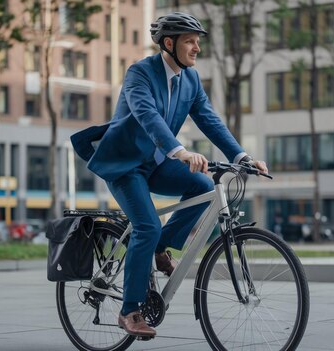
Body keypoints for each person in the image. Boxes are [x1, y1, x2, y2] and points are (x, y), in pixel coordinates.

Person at [70, 12, 268, 338]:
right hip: (126, 164)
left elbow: (210, 120)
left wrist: (243, 157)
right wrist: (180, 151)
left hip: (157, 163)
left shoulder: (190, 80)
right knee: (147, 224)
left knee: (202, 184)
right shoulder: (140, 74)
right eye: (190, 41)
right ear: (168, 43)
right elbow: (147, 116)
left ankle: (162, 248)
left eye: (198, 42)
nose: (197, 48)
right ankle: (130, 311)